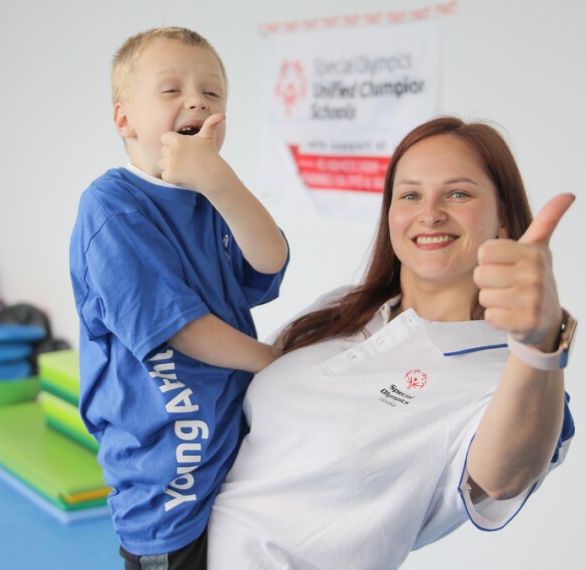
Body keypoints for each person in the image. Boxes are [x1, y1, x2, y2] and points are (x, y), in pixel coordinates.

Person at [208, 117, 576, 569]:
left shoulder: (515, 381)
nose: (430, 213)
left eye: (459, 193)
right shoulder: (341, 309)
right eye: (410, 195)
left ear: (504, 219)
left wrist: (538, 345)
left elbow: (504, 476)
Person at [69, 27, 289, 569]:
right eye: (172, 90)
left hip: (233, 450)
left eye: (211, 93)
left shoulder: (213, 198)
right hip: (164, 475)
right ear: (125, 120)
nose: (196, 100)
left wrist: (224, 184)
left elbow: (270, 260)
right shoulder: (111, 205)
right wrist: (275, 362)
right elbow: (178, 327)